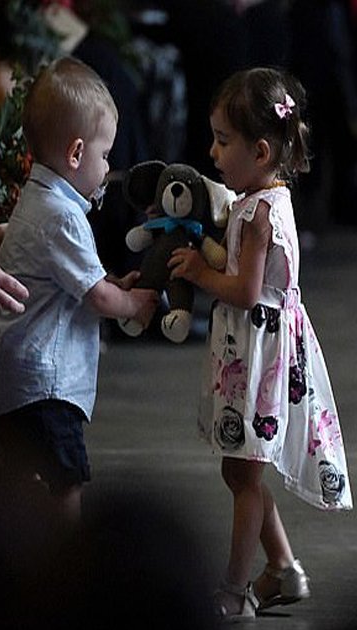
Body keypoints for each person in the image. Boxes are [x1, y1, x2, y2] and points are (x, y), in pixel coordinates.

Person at [166, 67, 353, 620]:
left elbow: (246, 291)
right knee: (241, 467)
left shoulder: (261, 213)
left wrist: (200, 272)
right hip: (258, 347)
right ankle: (284, 569)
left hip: (260, 352)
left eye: (224, 142)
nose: (213, 151)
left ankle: (233, 589)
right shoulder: (266, 198)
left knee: (245, 473)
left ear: (262, 150)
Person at [0, 57, 157, 526]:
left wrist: (112, 284)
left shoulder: (38, 198)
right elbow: (97, 298)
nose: (108, 166)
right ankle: (62, 578)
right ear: (76, 153)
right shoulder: (62, 216)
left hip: (12, 378)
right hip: (43, 386)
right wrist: (136, 304)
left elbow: (74, 284)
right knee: (67, 483)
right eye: (104, 155)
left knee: (26, 483)